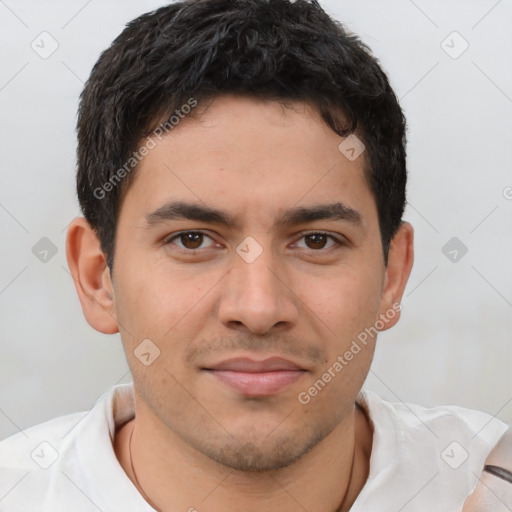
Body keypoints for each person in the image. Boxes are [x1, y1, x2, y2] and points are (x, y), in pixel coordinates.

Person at [0, 0, 508, 510]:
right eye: (192, 240)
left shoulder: (485, 482)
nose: (259, 308)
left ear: (391, 277)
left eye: (316, 240)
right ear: (97, 278)